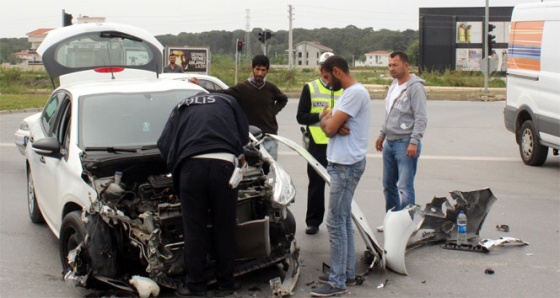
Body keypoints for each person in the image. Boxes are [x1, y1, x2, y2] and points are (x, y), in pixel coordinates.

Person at [157, 93, 249, 297]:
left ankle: (195, 285)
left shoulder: (181, 105)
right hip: (224, 166)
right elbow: (243, 137)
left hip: (191, 168)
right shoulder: (228, 101)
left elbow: (164, 144)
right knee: (224, 226)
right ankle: (226, 282)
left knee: (194, 228)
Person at [310, 55, 371, 297]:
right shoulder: (349, 93)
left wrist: (328, 123)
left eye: (326, 77)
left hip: (346, 166)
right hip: (343, 163)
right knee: (343, 219)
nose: (326, 82)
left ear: (336, 71)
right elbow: (328, 123)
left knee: (335, 222)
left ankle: (337, 282)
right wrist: (328, 122)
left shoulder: (354, 93)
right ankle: (345, 273)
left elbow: (329, 127)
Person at [375, 51, 427, 232]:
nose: (391, 69)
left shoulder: (415, 88)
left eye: (394, 65)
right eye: (389, 65)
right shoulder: (393, 85)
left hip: (405, 143)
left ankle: (407, 226)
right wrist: (382, 134)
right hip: (389, 141)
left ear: (406, 65)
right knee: (388, 184)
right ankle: (392, 222)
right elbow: (389, 113)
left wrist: (414, 141)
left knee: (405, 186)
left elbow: (420, 118)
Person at [296, 52, 343, 235]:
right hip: (316, 142)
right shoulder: (310, 87)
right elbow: (301, 116)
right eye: (324, 68)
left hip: (339, 142)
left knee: (340, 184)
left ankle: (339, 221)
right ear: (320, 69)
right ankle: (313, 221)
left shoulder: (343, 89)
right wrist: (319, 116)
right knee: (316, 184)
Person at [219, 55, 288, 160]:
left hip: (269, 139)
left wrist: (272, 112)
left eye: (263, 70)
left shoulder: (271, 88)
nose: (260, 73)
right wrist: (199, 86)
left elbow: (283, 99)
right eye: (257, 69)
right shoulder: (242, 88)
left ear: (267, 71)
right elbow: (222, 93)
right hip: (250, 141)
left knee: (271, 173)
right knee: (251, 173)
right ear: (252, 68)